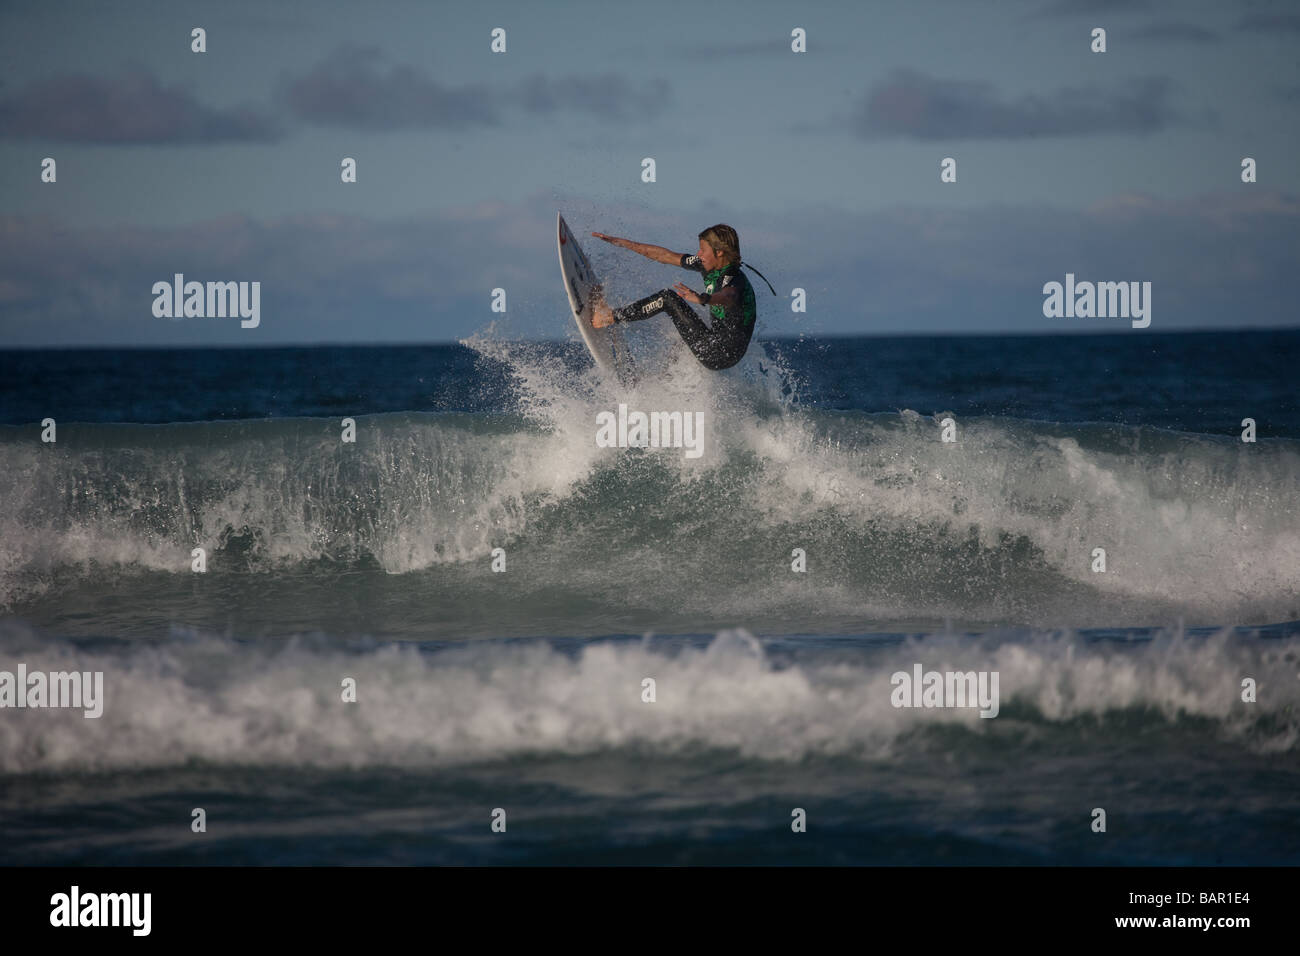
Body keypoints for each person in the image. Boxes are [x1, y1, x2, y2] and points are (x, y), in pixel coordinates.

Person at [588, 224, 770, 371]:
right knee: (679, 345)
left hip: (720, 353)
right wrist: (622, 242)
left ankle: (607, 317)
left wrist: (704, 299)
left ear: (719, 252)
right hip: (716, 344)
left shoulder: (735, 279)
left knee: (669, 299)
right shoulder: (707, 265)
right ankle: (658, 385)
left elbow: (729, 296)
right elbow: (665, 256)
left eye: (702, 250)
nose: (698, 255)